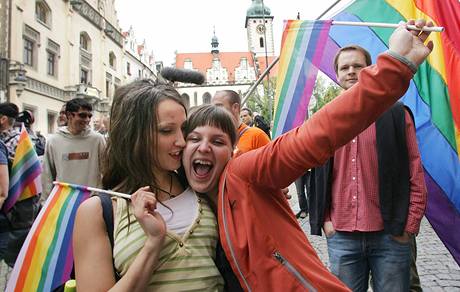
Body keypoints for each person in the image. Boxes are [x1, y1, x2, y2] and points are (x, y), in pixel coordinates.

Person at [181, 20, 433, 291]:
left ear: (233, 149)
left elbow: (314, 136)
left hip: (384, 232)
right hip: (342, 233)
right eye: (194, 139)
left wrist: (392, 66)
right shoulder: (175, 196)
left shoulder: (242, 172)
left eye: (218, 141)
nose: (204, 147)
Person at [73, 79, 224, 291]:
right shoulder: (98, 212)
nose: (181, 141)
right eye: (166, 131)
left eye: (183, 129)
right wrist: (153, 243)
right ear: (133, 135)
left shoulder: (203, 188)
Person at [309, 42, 427, 291]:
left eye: (358, 66)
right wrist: (326, 220)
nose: (351, 71)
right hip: (341, 235)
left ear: (370, 69)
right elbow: (316, 174)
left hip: (390, 235)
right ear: (337, 75)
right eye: (345, 67)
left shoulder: (396, 113)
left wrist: (409, 227)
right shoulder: (325, 118)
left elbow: (415, 173)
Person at [41, 98, 106, 202]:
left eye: (89, 116)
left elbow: (106, 169)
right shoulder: (53, 141)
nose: (87, 120)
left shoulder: (97, 140)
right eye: (82, 115)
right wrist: (46, 202)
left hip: (92, 202)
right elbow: (47, 175)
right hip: (64, 202)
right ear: (69, 115)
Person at [212, 90, 270, 156]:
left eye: (218, 106)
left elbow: (272, 164)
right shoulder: (213, 137)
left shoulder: (257, 136)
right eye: (212, 107)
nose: (213, 111)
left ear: (235, 108)